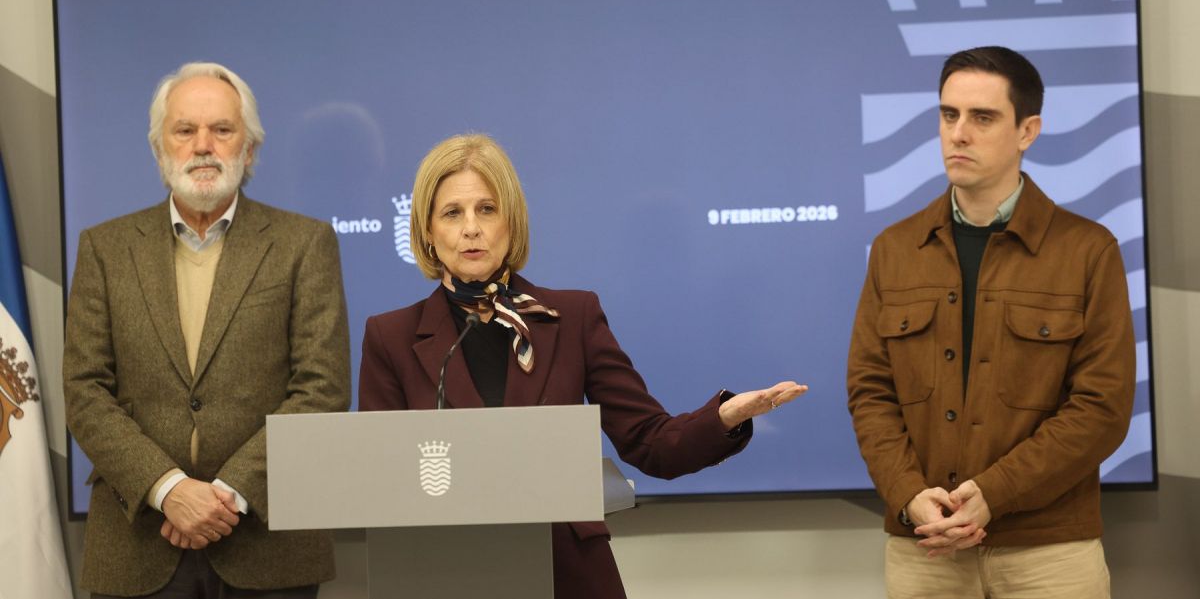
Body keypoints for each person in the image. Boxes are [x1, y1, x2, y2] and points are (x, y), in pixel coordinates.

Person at [358, 132, 806, 598]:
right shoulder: (392, 337)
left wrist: (724, 418)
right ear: (428, 232)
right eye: (453, 212)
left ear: (512, 220)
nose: (471, 227)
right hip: (447, 573)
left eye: (487, 209)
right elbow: (382, 479)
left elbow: (650, 442)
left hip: (565, 573)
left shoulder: (572, 318)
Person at [846, 46, 1135, 598]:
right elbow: (870, 393)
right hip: (924, 544)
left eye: (983, 117)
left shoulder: (1088, 250)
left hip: (1050, 552)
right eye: (948, 114)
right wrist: (909, 495)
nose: (958, 133)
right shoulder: (894, 249)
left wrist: (993, 493)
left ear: (1028, 131)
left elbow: (1102, 406)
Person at [63, 62, 351, 598]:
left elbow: (323, 389)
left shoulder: (304, 244)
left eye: (222, 130)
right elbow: (84, 390)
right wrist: (168, 489)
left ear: (250, 148)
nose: (203, 145)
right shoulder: (104, 248)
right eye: (184, 130)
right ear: (159, 147)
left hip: (268, 545)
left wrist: (227, 495)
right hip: (136, 547)